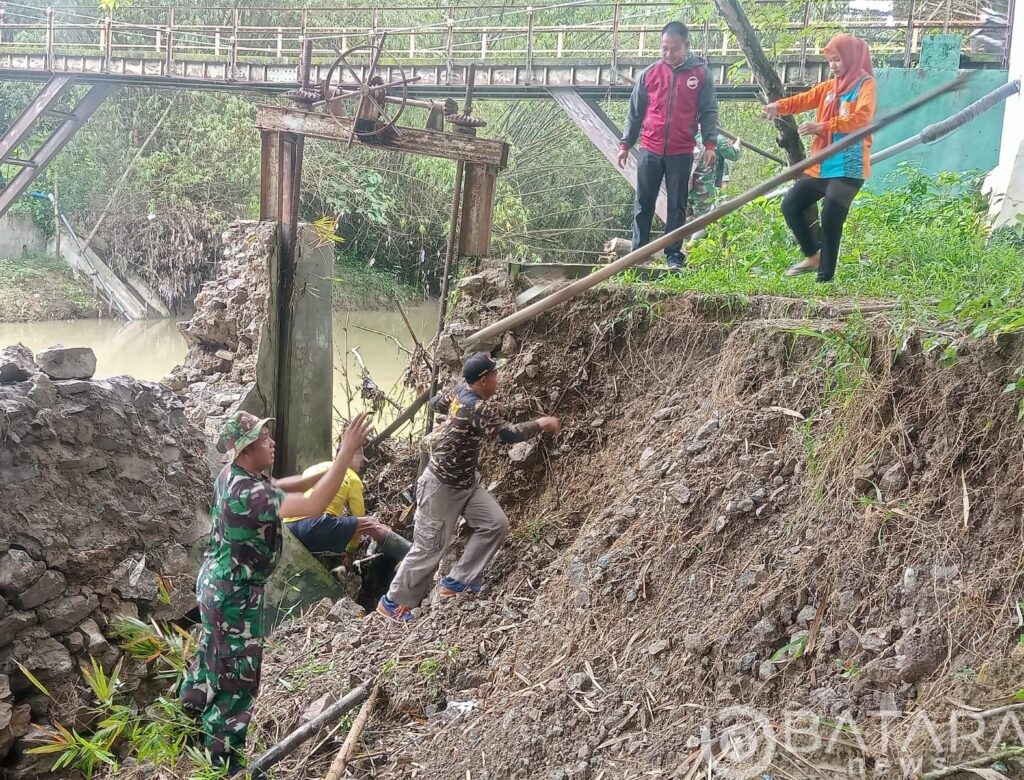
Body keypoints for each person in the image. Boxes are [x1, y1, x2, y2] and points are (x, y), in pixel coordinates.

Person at [180, 410, 372, 772]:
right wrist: (346, 454)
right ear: (247, 449)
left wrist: (336, 466)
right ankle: (222, 761)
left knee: (211, 653)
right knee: (238, 678)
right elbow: (314, 506)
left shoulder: (234, 475)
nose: (272, 442)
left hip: (215, 587)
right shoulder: (251, 495)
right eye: (264, 438)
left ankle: (188, 712)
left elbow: (291, 484)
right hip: (235, 597)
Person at [377, 353, 560, 622]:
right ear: (484, 380)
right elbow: (508, 435)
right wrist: (543, 423)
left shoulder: (459, 392)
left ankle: (457, 582)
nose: (498, 380)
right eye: (495, 375)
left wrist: (454, 416)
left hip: (465, 482)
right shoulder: (476, 407)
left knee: (495, 524)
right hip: (440, 486)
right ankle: (393, 603)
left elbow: (433, 403)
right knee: (428, 548)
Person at [764, 34, 877, 283]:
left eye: (837, 60)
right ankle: (813, 256)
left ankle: (825, 280)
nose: (833, 66)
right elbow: (805, 99)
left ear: (851, 58)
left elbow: (863, 118)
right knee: (791, 205)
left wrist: (824, 126)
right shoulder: (830, 87)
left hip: (848, 166)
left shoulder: (865, 85)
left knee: (830, 219)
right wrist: (778, 107)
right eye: (830, 61)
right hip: (823, 164)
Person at [616, 21, 719, 270]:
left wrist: (710, 144)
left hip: (681, 150)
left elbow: (708, 111)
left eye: (674, 49)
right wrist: (625, 143)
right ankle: (637, 253)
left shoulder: (701, 75)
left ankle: (673, 253)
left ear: (686, 46)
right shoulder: (650, 74)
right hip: (650, 149)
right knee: (644, 202)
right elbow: (635, 113)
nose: (668, 54)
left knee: (677, 205)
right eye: (664, 48)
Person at [283, 442, 412, 570]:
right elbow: (360, 519)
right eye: (360, 459)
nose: (361, 464)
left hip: (289, 527)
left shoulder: (315, 468)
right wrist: (350, 554)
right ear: (351, 455)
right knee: (370, 523)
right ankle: (412, 554)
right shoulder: (351, 476)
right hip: (314, 526)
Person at [688, 132, 743, 220]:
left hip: (686, 189)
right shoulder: (717, 139)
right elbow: (734, 155)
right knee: (701, 223)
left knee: (686, 223)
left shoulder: (689, 137)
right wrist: (737, 144)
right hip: (704, 191)